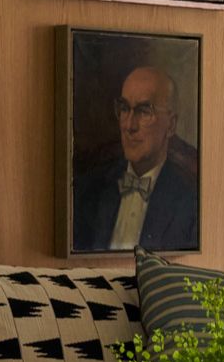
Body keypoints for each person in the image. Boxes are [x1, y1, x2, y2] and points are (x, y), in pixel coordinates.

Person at [71, 64, 200, 253]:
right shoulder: (89, 190)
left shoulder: (190, 204)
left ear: (171, 126)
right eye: (124, 108)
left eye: (144, 111)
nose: (129, 126)